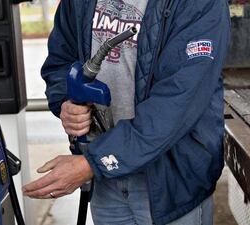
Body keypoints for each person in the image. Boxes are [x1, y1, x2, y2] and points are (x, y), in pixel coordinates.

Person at [22, 0, 230, 224]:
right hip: (104, 180)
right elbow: (61, 60)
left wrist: (94, 162)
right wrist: (67, 102)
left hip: (170, 182)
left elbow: (177, 102)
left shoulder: (200, 4)